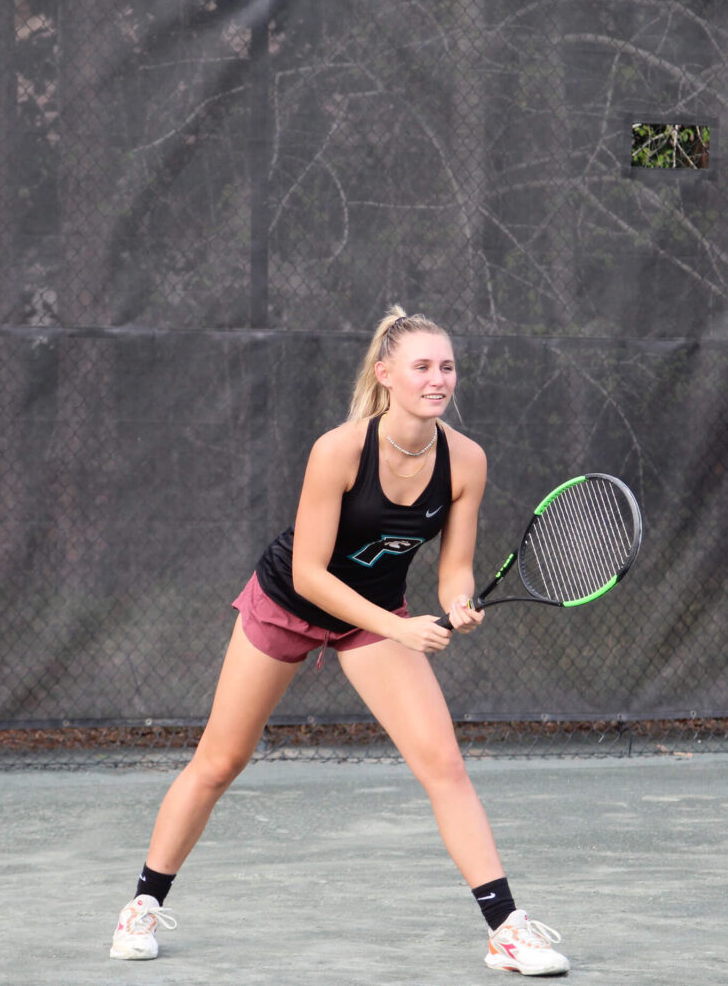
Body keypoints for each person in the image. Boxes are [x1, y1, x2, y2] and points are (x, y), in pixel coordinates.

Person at [108, 307, 570, 977]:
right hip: (289, 603)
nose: (438, 378)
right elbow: (308, 574)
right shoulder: (339, 450)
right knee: (219, 760)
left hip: (376, 617)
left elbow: (454, 564)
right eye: (422, 366)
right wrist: (401, 627)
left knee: (444, 766)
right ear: (385, 375)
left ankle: (506, 929)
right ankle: (142, 905)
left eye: (446, 366)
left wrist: (459, 601)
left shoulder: (466, 460)